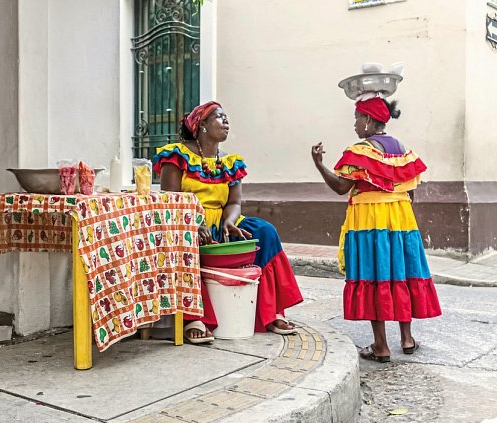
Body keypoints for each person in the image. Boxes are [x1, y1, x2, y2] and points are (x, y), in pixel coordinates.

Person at [153, 101, 304, 343]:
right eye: (219, 117)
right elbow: (171, 201)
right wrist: (193, 222)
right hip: (187, 221)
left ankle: (272, 311)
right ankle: (194, 318)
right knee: (185, 240)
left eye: (226, 118)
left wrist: (230, 222)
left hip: (222, 222)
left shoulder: (231, 162)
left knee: (266, 231)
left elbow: (234, 203)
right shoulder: (177, 155)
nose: (226, 122)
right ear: (202, 124)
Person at [311, 96, 441, 363]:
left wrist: (319, 164)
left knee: (375, 274)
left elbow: (341, 187)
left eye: (357, 119)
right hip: (402, 221)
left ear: (368, 119)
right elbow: (411, 192)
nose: (355, 125)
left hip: (370, 221)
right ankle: (406, 339)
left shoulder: (360, 151)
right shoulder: (403, 150)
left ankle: (381, 345)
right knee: (400, 273)